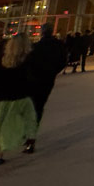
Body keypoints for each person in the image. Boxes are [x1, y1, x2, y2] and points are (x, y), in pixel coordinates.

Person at [0, 33, 38, 178]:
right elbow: (32, 80)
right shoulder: (28, 60)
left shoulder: (1, 60)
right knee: (26, 119)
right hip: (19, 98)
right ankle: (26, 140)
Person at [24, 24, 68, 152]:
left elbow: (28, 63)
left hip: (34, 79)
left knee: (29, 106)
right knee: (39, 107)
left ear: (42, 32)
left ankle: (27, 133)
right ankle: (31, 137)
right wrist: (53, 71)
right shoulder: (59, 45)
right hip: (48, 79)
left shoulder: (36, 47)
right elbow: (63, 61)